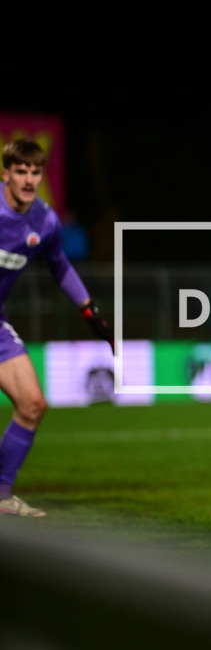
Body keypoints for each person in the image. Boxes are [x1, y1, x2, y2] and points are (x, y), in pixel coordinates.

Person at [0, 139, 114, 517]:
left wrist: (87, 307)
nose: (29, 179)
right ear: (5, 174)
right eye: (21, 171)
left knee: (33, 404)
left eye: (35, 172)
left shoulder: (45, 221)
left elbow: (59, 264)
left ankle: (1, 496)